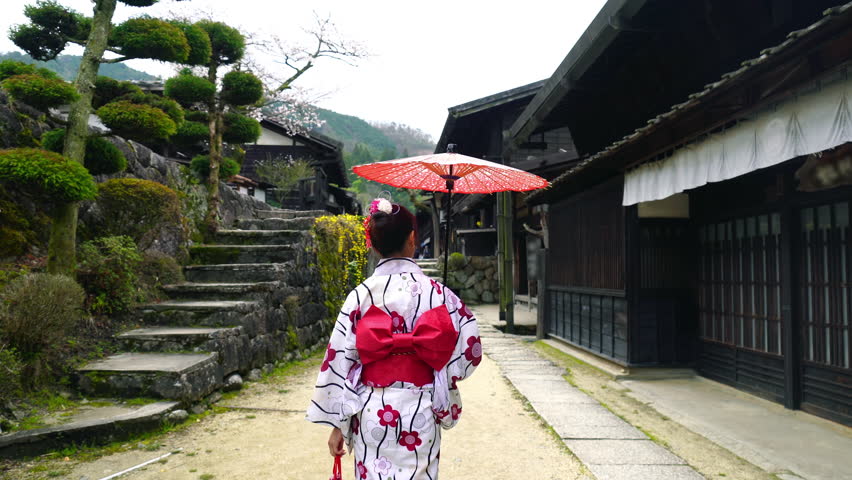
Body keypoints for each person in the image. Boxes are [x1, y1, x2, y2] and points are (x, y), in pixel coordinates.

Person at [307, 198, 481, 480]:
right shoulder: (438, 294)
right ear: (413, 238)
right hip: (421, 413)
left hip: (371, 410)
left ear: (372, 245)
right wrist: (443, 371)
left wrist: (339, 425)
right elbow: (470, 352)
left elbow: (338, 362)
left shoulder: (360, 296)